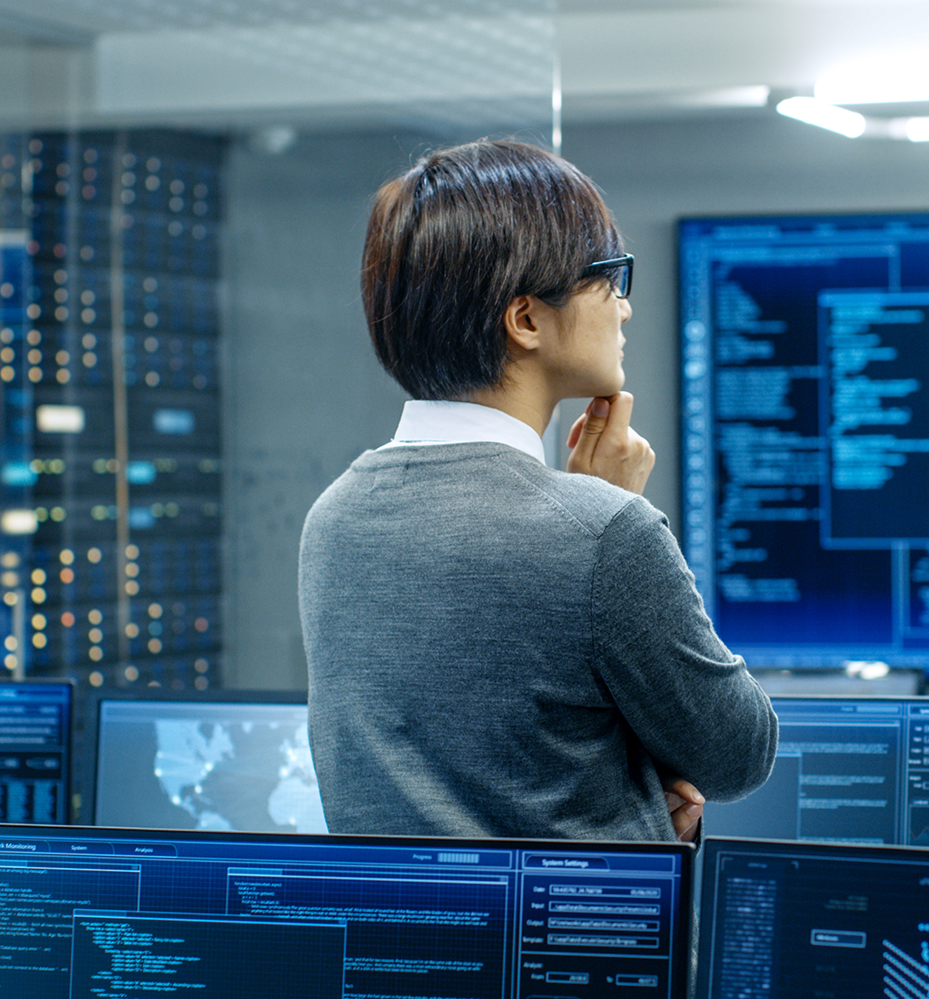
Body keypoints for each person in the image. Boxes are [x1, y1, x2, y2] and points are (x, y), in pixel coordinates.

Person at [298, 139, 777, 843]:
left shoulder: (333, 518)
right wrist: (617, 514)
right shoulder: (604, 534)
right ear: (525, 319)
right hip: (574, 949)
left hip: (398, 949)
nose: (624, 309)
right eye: (608, 278)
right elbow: (738, 755)